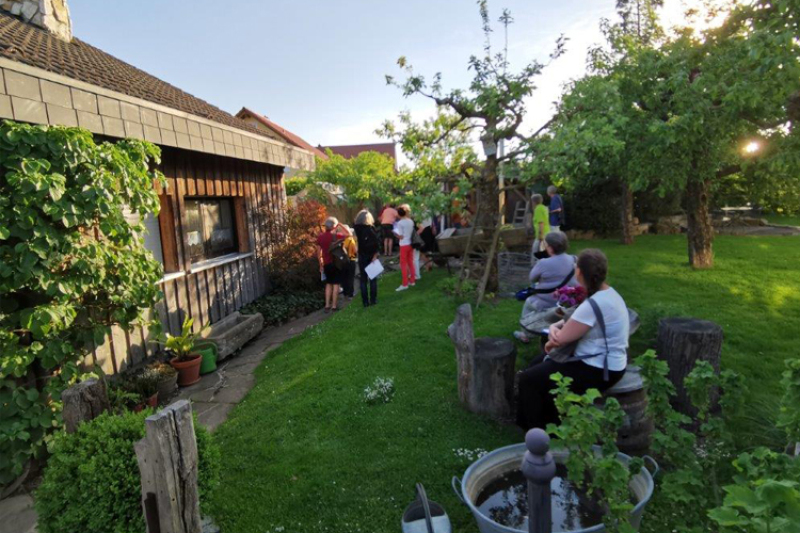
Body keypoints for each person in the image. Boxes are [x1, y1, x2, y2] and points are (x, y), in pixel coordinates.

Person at [516, 248, 629, 431]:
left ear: (580, 272)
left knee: (529, 379)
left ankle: (539, 434)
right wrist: (558, 327)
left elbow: (559, 340)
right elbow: (574, 319)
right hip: (609, 362)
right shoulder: (607, 293)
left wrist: (553, 329)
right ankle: (543, 420)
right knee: (535, 365)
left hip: (599, 369)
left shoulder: (593, 304)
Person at [514, 231, 576, 344]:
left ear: (551, 248)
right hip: (566, 302)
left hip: (545, 302)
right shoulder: (573, 259)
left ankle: (526, 334)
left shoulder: (543, 263)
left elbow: (532, 278)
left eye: (546, 245)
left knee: (529, 302)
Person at [316, 217, 347, 312]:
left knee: (328, 284)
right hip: (336, 263)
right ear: (334, 226)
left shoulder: (320, 237)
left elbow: (318, 252)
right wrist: (340, 224)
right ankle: (334, 306)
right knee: (336, 284)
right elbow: (348, 234)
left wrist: (320, 264)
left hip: (326, 263)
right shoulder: (336, 236)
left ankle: (327, 305)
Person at [354, 209, 380, 307]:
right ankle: (373, 300)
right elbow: (376, 243)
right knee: (372, 279)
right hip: (371, 255)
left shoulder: (356, 229)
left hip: (361, 255)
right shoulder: (370, 229)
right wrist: (375, 255)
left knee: (363, 280)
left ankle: (365, 302)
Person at [394, 206, 416, 291]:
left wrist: (395, 234)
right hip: (411, 243)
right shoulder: (410, 221)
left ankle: (405, 283)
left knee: (403, 264)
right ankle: (412, 280)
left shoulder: (400, 223)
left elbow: (401, 236)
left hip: (404, 244)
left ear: (399, 214)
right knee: (410, 262)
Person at [528, 193, 551, 265]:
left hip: (541, 234)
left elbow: (541, 223)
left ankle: (536, 267)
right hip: (547, 232)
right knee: (543, 252)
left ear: (533, 202)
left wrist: (541, 236)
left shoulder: (538, 209)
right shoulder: (544, 208)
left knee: (536, 252)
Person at [341, 225, 358, 299]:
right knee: (350, 277)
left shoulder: (341, 240)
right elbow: (355, 251)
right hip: (351, 260)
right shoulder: (351, 239)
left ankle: (345, 293)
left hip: (342, 261)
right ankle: (350, 294)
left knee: (344, 278)